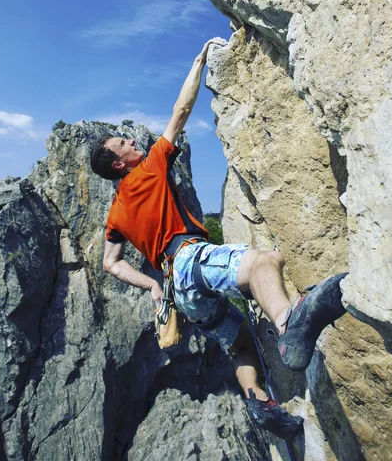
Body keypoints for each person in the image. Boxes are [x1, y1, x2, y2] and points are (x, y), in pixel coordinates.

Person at [90, 39, 347, 441]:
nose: (131, 140)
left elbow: (110, 262)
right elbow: (180, 112)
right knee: (262, 262)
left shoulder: (115, 214)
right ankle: (288, 323)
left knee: (240, 341)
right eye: (122, 143)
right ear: (119, 163)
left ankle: (258, 400)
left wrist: (153, 285)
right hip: (192, 260)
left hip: (182, 293)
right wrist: (198, 61)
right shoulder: (148, 169)